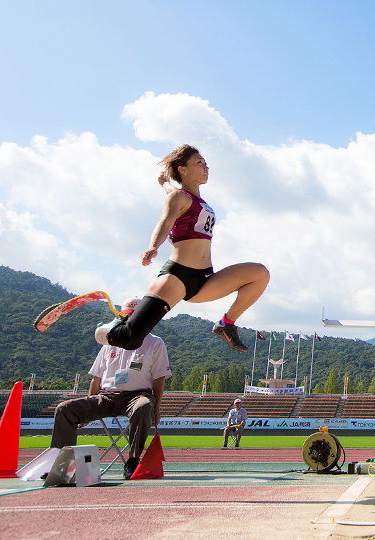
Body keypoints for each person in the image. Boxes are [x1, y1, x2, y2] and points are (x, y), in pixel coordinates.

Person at [95, 144, 270, 353]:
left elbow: (173, 192)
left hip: (205, 279)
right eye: (199, 163)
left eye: (206, 163)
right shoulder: (178, 197)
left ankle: (226, 324)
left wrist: (164, 184)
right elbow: (165, 222)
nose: (206, 167)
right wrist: (153, 247)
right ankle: (109, 328)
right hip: (177, 276)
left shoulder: (189, 198)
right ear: (183, 170)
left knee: (260, 274)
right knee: (130, 339)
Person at [52, 296, 171, 479]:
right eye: (125, 316)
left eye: (133, 317)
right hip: (107, 396)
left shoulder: (155, 343)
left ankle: (133, 460)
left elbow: (159, 379)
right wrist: (89, 401)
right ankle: (63, 464)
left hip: (137, 396)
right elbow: (96, 378)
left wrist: (156, 408)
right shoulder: (110, 341)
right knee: (65, 409)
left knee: (143, 407)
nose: (128, 321)